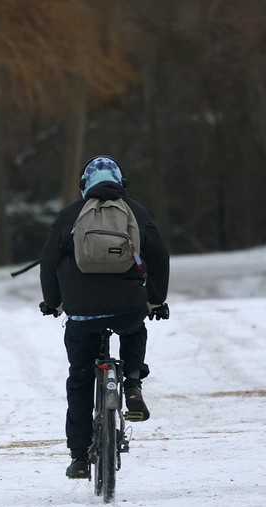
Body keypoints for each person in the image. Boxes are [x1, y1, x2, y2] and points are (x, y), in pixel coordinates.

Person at [38, 155, 170, 479]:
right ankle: (133, 384)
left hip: (82, 314)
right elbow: (159, 255)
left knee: (81, 379)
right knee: (134, 327)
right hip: (128, 307)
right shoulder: (135, 212)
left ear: (85, 185)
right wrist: (156, 301)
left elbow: (48, 261)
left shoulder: (70, 215)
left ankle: (80, 457)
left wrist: (53, 302)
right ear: (121, 183)